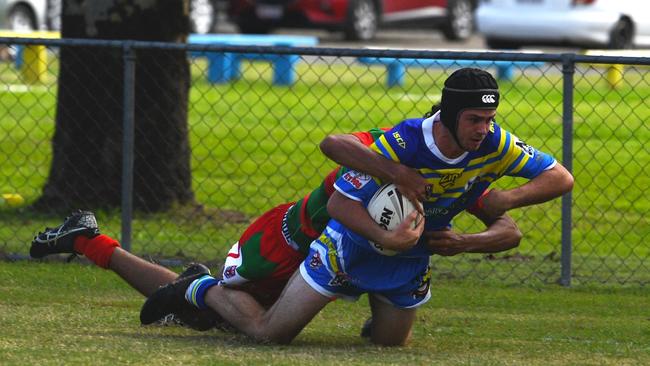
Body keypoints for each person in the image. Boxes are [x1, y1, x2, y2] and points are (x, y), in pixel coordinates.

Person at [139, 67, 574, 346]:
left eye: (490, 119)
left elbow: (560, 177)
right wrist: (389, 222)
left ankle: (379, 309)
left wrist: (504, 201)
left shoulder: (495, 145)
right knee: (269, 334)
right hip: (347, 246)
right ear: (447, 115)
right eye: (474, 120)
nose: (484, 129)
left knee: (389, 346)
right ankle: (199, 287)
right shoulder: (401, 144)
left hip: (408, 259)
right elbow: (342, 205)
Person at [30, 127, 522, 331]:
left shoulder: (457, 173)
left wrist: (470, 240)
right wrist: (394, 174)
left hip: (337, 254)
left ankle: (194, 284)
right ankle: (89, 239)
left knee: (234, 317)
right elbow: (335, 149)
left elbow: (502, 220)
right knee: (218, 314)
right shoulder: (391, 147)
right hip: (289, 240)